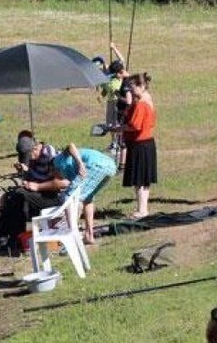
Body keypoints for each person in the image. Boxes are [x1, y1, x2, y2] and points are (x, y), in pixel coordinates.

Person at [25, 142, 117, 245]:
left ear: (51, 168)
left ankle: (72, 234)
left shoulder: (57, 160)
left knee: (68, 197)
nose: (54, 177)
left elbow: (71, 145)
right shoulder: (69, 170)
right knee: (88, 199)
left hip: (94, 165)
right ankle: (89, 235)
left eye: (51, 174)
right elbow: (66, 183)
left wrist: (80, 163)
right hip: (110, 167)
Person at [0, 142, 63, 251]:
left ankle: (6, 238)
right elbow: (35, 176)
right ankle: (7, 239)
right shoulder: (36, 162)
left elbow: (62, 183)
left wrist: (38, 186)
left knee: (17, 195)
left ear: (42, 153)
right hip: (40, 195)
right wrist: (24, 172)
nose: (31, 151)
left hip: (52, 198)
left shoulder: (53, 161)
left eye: (35, 149)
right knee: (13, 199)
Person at [117, 73, 157, 219]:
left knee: (139, 180)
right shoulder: (147, 100)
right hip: (146, 144)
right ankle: (143, 208)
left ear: (141, 86)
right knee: (144, 180)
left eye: (132, 87)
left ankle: (142, 210)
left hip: (139, 144)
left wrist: (117, 128)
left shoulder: (141, 104)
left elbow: (134, 125)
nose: (131, 90)